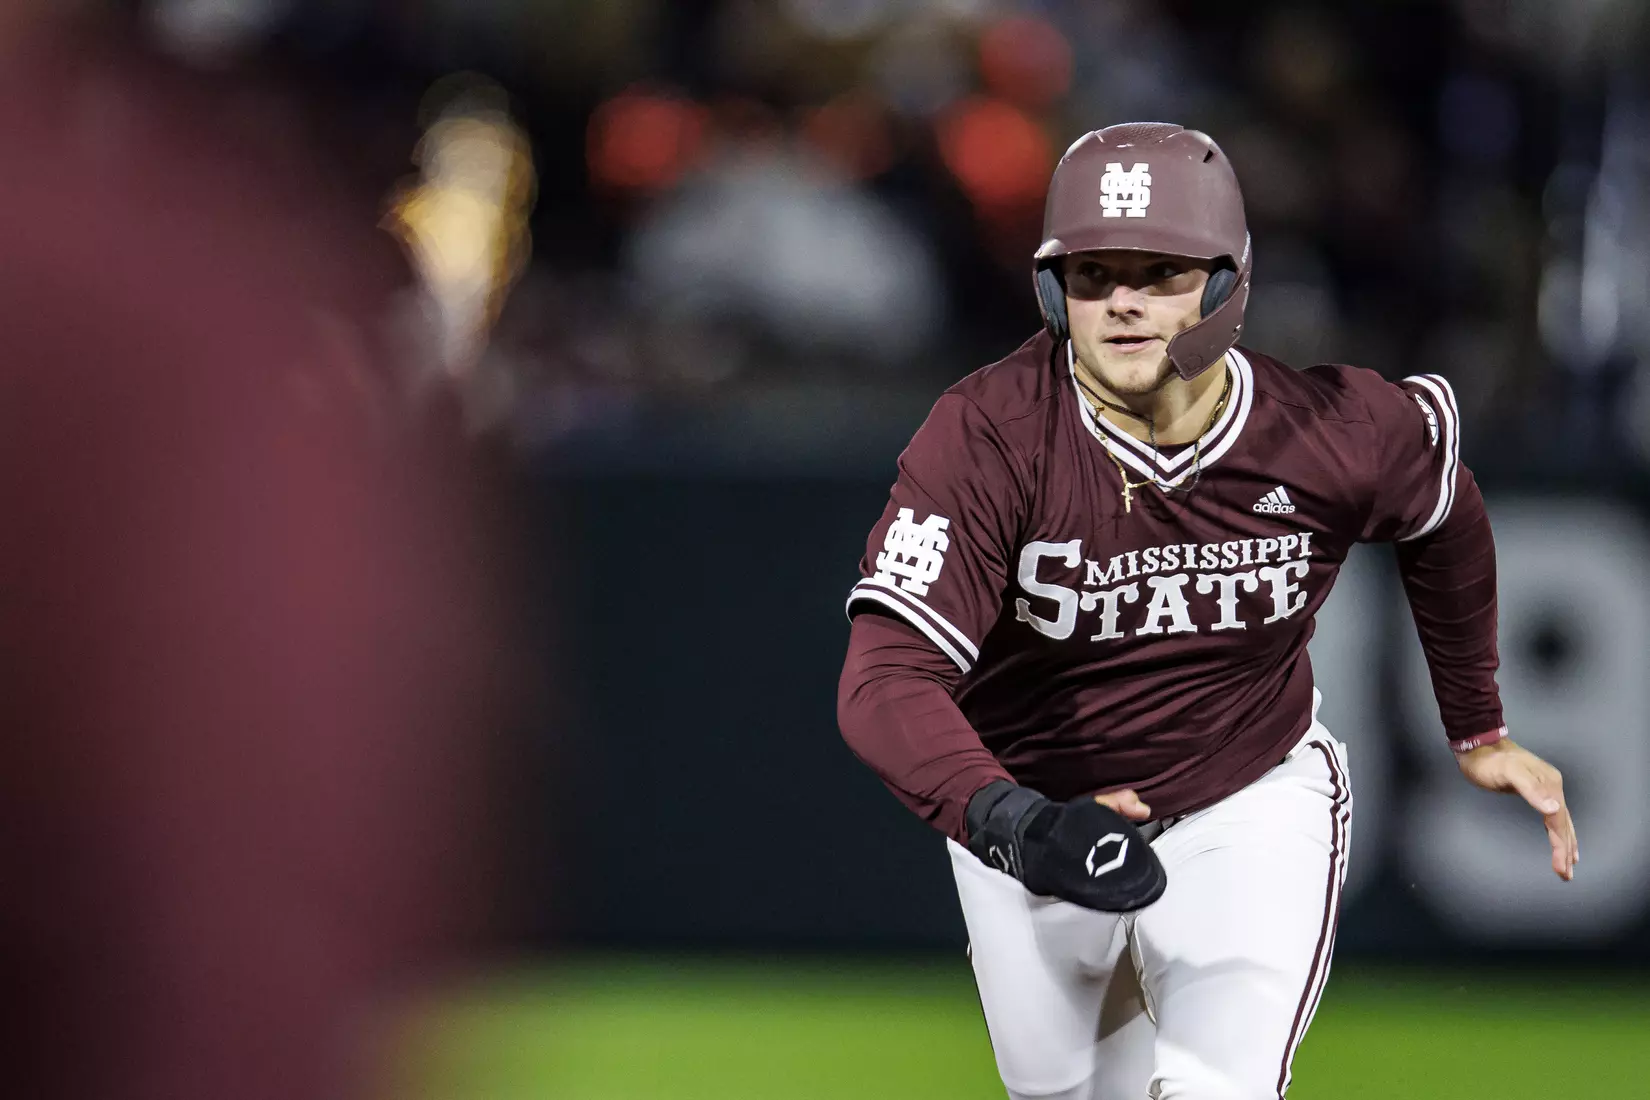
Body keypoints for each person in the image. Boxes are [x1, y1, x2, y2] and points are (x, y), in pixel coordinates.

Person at [836, 122, 1578, 1100]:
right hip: (1038, 811)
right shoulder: (990, 436)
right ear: (1054, 287)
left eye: (1162, 270)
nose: (1127, 302)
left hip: (1248, 794)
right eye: (1095, 272)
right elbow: (885, 677)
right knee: (1064, 1090)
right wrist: (1012, 819)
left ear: (1230, 280)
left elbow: (1443, 510)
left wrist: (1477, 720)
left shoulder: (1326, 431)